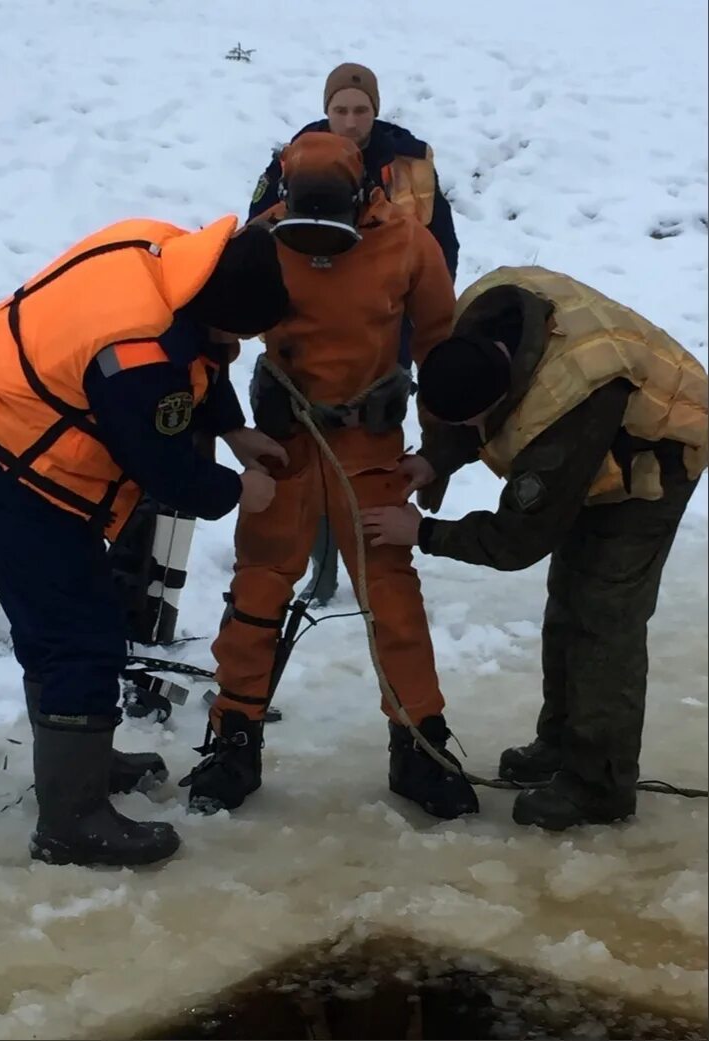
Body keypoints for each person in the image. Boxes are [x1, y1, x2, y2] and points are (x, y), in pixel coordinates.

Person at [0, 215, 290, 867]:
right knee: (76, 633)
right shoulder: (138, 352)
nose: (235, 345)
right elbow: (163, 467)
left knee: (70, 620)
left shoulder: (170, 255)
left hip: (8, 418)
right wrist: (238, 489)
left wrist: (233, 428)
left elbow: (201, 355)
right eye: (236, 332)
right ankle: (70, 820)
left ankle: (80, 761)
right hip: (14, 464)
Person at [179, 132, 479, 823]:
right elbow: (213, 336)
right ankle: (235, 737)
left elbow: (440, 350)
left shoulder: (406, 243)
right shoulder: (259, 239)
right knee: (257, 589)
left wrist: (436, 453)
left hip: (367, 448)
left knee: (391, 594)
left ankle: (419, 743)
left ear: (361, 196)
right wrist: (232, 424)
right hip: (285, 446)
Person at [361, 265, 708, 831]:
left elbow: (518, 539)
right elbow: (466, 412)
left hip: (658, 448)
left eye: (474, 422)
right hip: (601, 417)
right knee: (567, 601)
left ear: (501, 396)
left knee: (602, 615)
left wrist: (422, 534)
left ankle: (600, 785)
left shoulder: (565, 409)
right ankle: (562, 744)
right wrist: (434, 457)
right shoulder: (480, 314)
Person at [249, 62, 460, 607]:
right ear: (327, 110)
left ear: (375, 110)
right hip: (306, 331)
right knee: (304, 449)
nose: (349, 121)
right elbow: (259, 232)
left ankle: (370, 554)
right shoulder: (294, 159)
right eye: (340, 110)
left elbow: (441, 240)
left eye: (360, 110)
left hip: (387, 323)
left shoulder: (411, 162)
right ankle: (320, 563)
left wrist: (419, 307)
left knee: (368, 446)